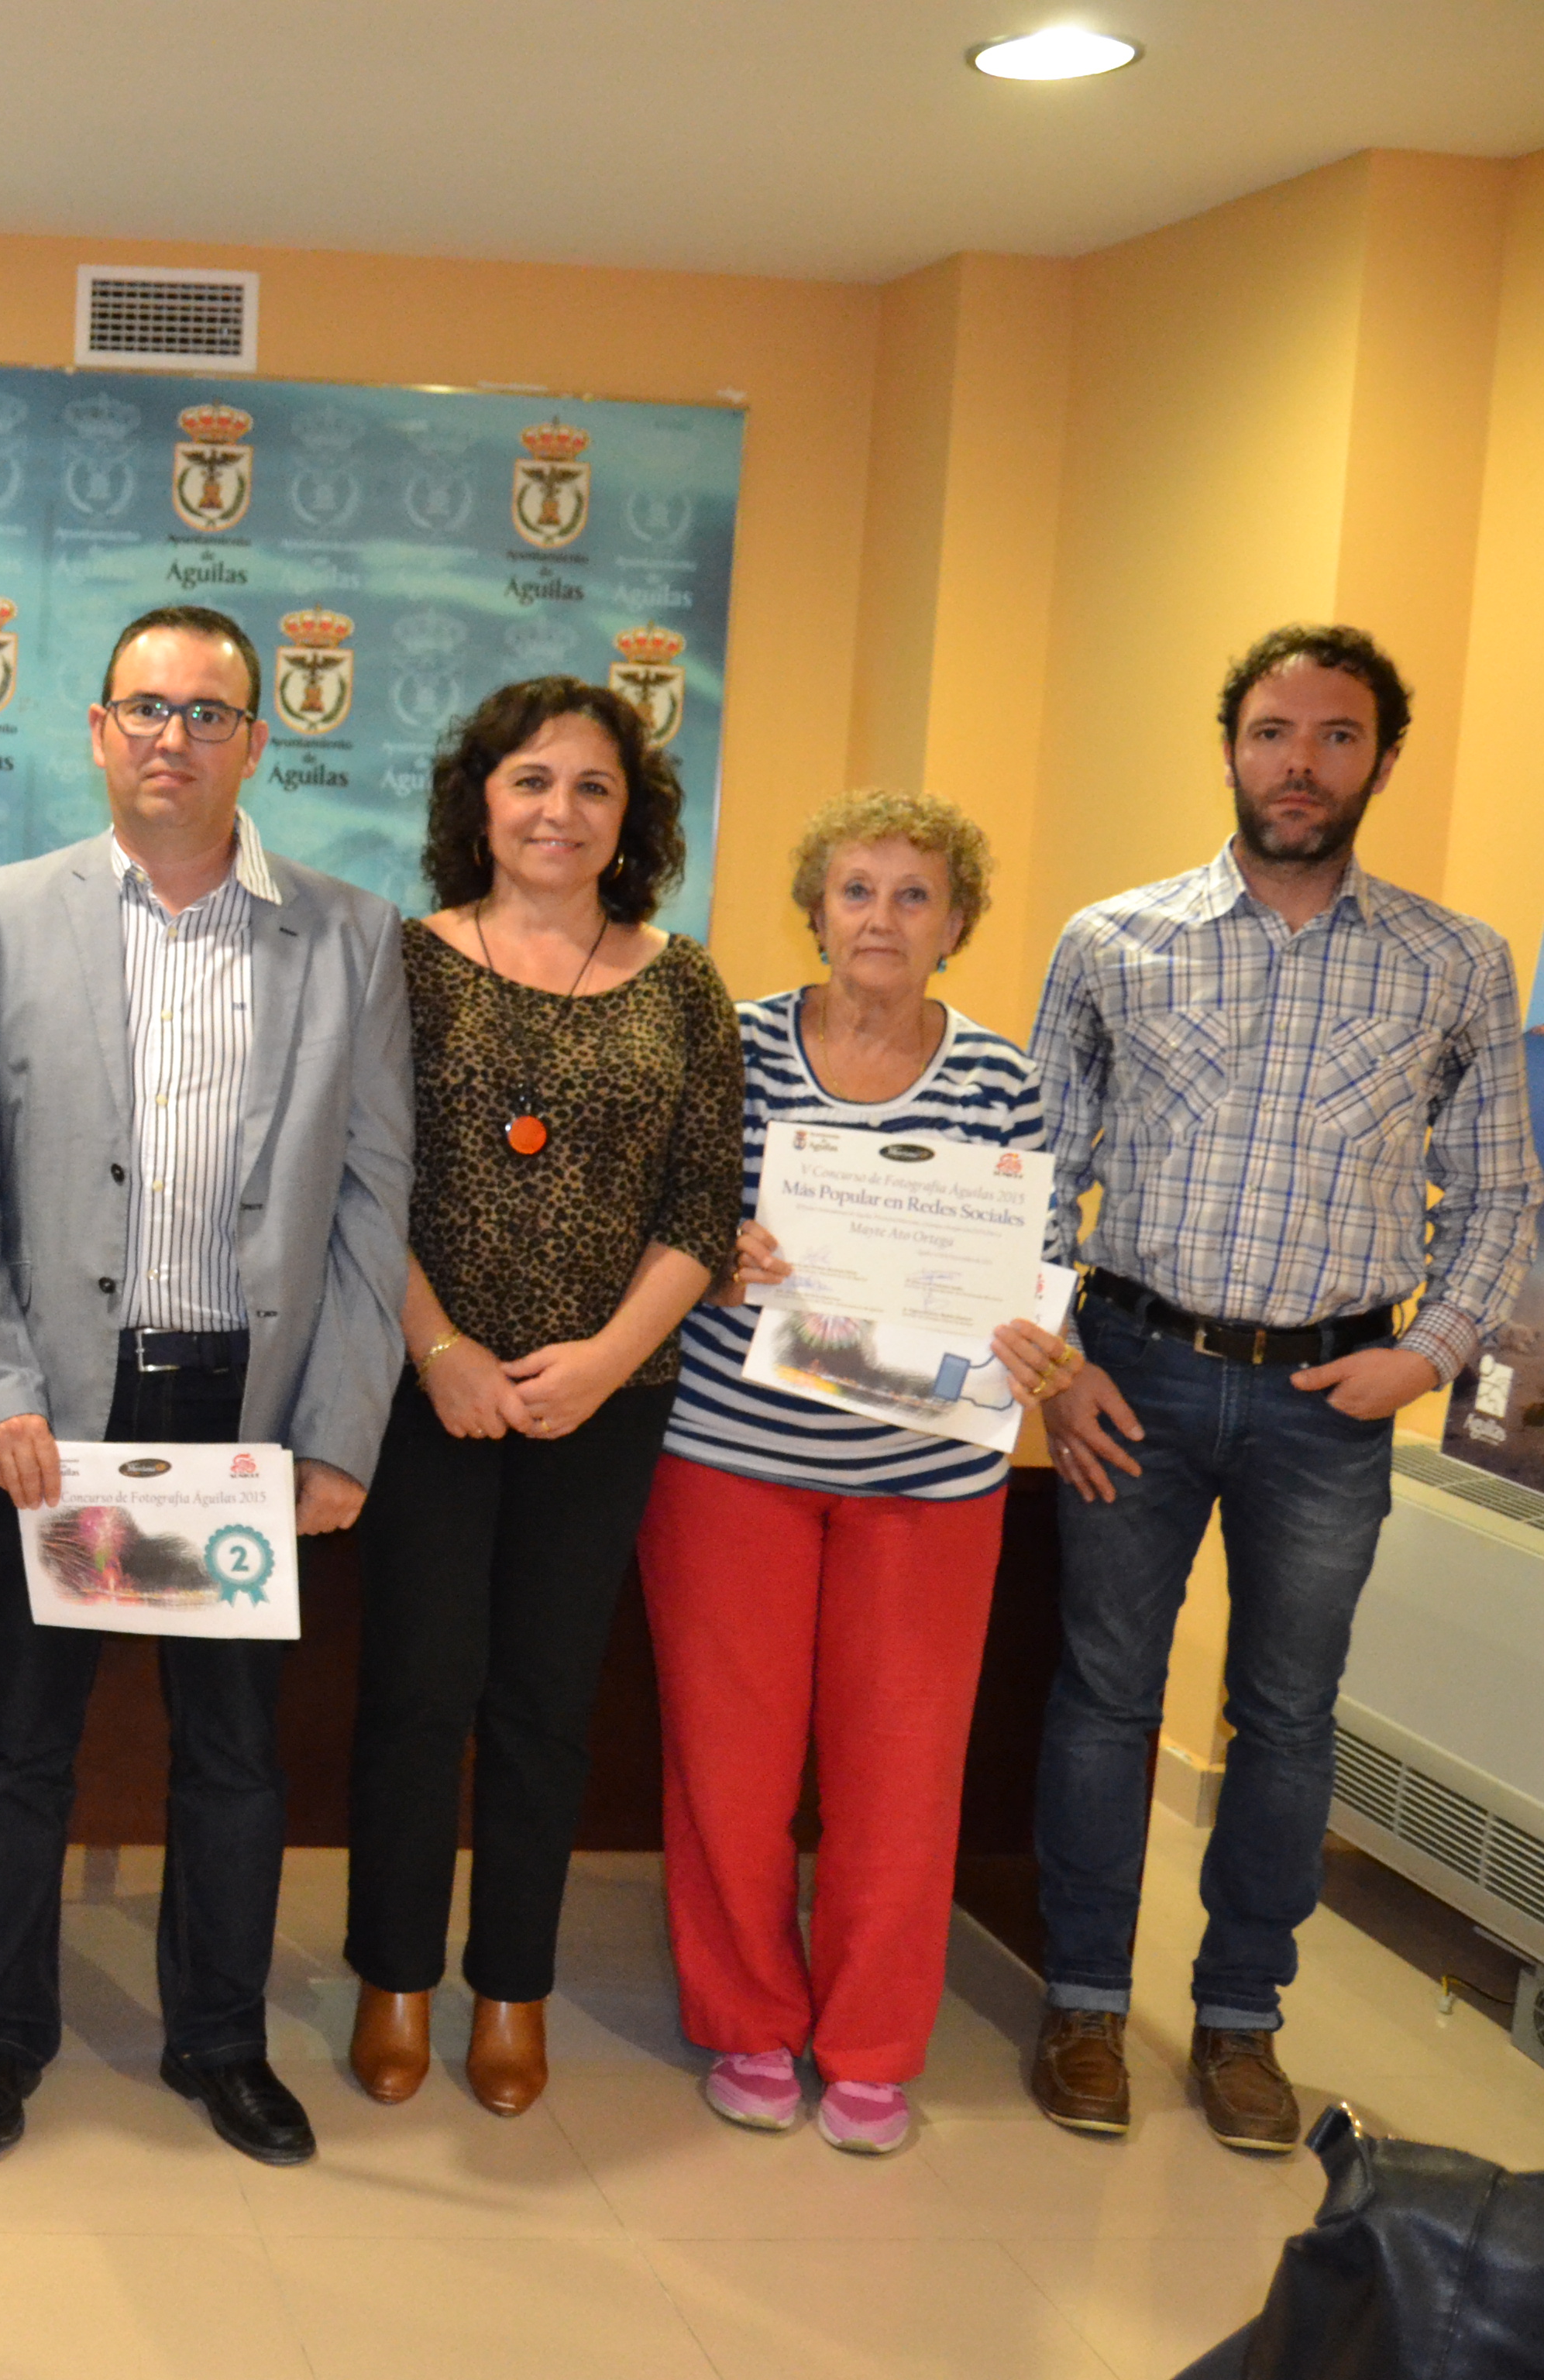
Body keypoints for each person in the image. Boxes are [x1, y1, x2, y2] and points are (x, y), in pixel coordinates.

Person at [1026, 625, 1538, 2154]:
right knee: (1105, 1700)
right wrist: (1053, 1365)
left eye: (1333, 736)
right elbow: (1042, 1173)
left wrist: (1429, 1356)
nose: (1297, 764)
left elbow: (1502, 1190)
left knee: (1289, 1719)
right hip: (1132, 1373)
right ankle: (1084, 2003)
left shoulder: (1458, 960)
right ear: (1230, 746)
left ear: (1380, 757)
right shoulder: (1114, 940)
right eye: (1270, 732)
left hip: (1334, 1400)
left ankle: (1244, 2021)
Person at [0, 604, 413, 2168]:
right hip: (58, 1414)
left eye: (209, 714)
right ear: (94, 727)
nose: (172, 738)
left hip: (238, 1420)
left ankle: (218, 2041)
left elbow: (373, 1203)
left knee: (233, 1752)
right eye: (145, 706)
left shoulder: (348, 935)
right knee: (19, 1741)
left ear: (256, 742)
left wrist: (338, 1430)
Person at [641, 790, 1067, 2155]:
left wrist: (1033, 1335)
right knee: (731, 1763)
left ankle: (874, 2046)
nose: (881, 918)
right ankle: (751, 2024)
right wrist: (723, 1252)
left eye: (914, 895)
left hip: (930, 1478)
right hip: (731, 1459)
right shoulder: (736, 1047)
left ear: (956, 924)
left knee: (902, 1771)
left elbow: (1041, 1257)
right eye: (857, 890)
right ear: (814, 908)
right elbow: (660, 1212)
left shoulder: (1002, 1076)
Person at [343, 676, 741, 2120]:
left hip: (606, 1402)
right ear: (480, 802)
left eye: (592, 787)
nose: (558, 811)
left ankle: (511, 1987)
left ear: (630, 818)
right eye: (531, 781)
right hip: (421, 1386)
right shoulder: (401, 961)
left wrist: (606, 1362)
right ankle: (393, 1976)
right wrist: (440, 1347)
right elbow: (356, 1178)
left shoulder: (684, 982)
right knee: (415, 1693)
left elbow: (703, 1204)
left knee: (544, 1706)